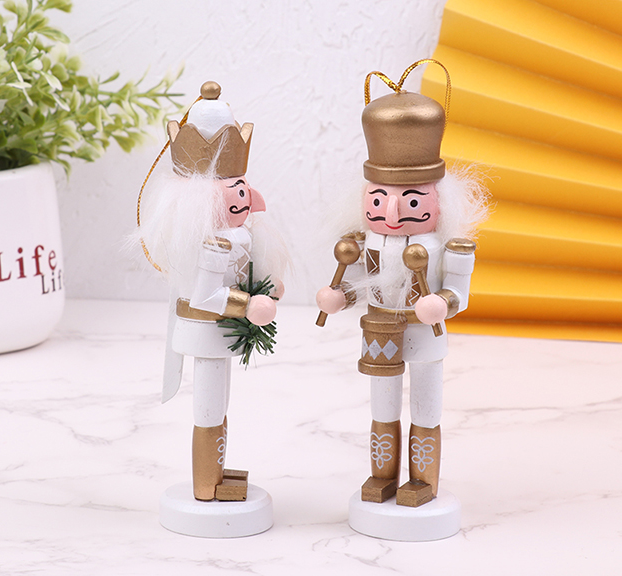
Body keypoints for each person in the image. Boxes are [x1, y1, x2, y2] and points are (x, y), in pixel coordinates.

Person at [316, 61, 487, 508]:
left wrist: (443, 304)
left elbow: (458, 293)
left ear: (439, 200)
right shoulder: (363, 242)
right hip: (379, 329)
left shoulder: (449, 247)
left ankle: (423, 481)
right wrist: (339, 296)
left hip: (425, 334)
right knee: (382, 404)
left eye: (410, 201)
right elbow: (362, 284)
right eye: (378, 199)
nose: (391, 214)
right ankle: (382, 477)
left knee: (426, 405)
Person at [138, 81, 285, 502]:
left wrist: (268, 285)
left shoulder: (237, 235)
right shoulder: (212, 243)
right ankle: (207, 485)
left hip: (222, 331)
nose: (242, 198)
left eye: (242, 187)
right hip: (207, 328)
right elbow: (205, 297)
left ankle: (216, 474)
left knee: (219, 402)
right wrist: (249, 304)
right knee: (208, 406)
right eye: (232, 190)